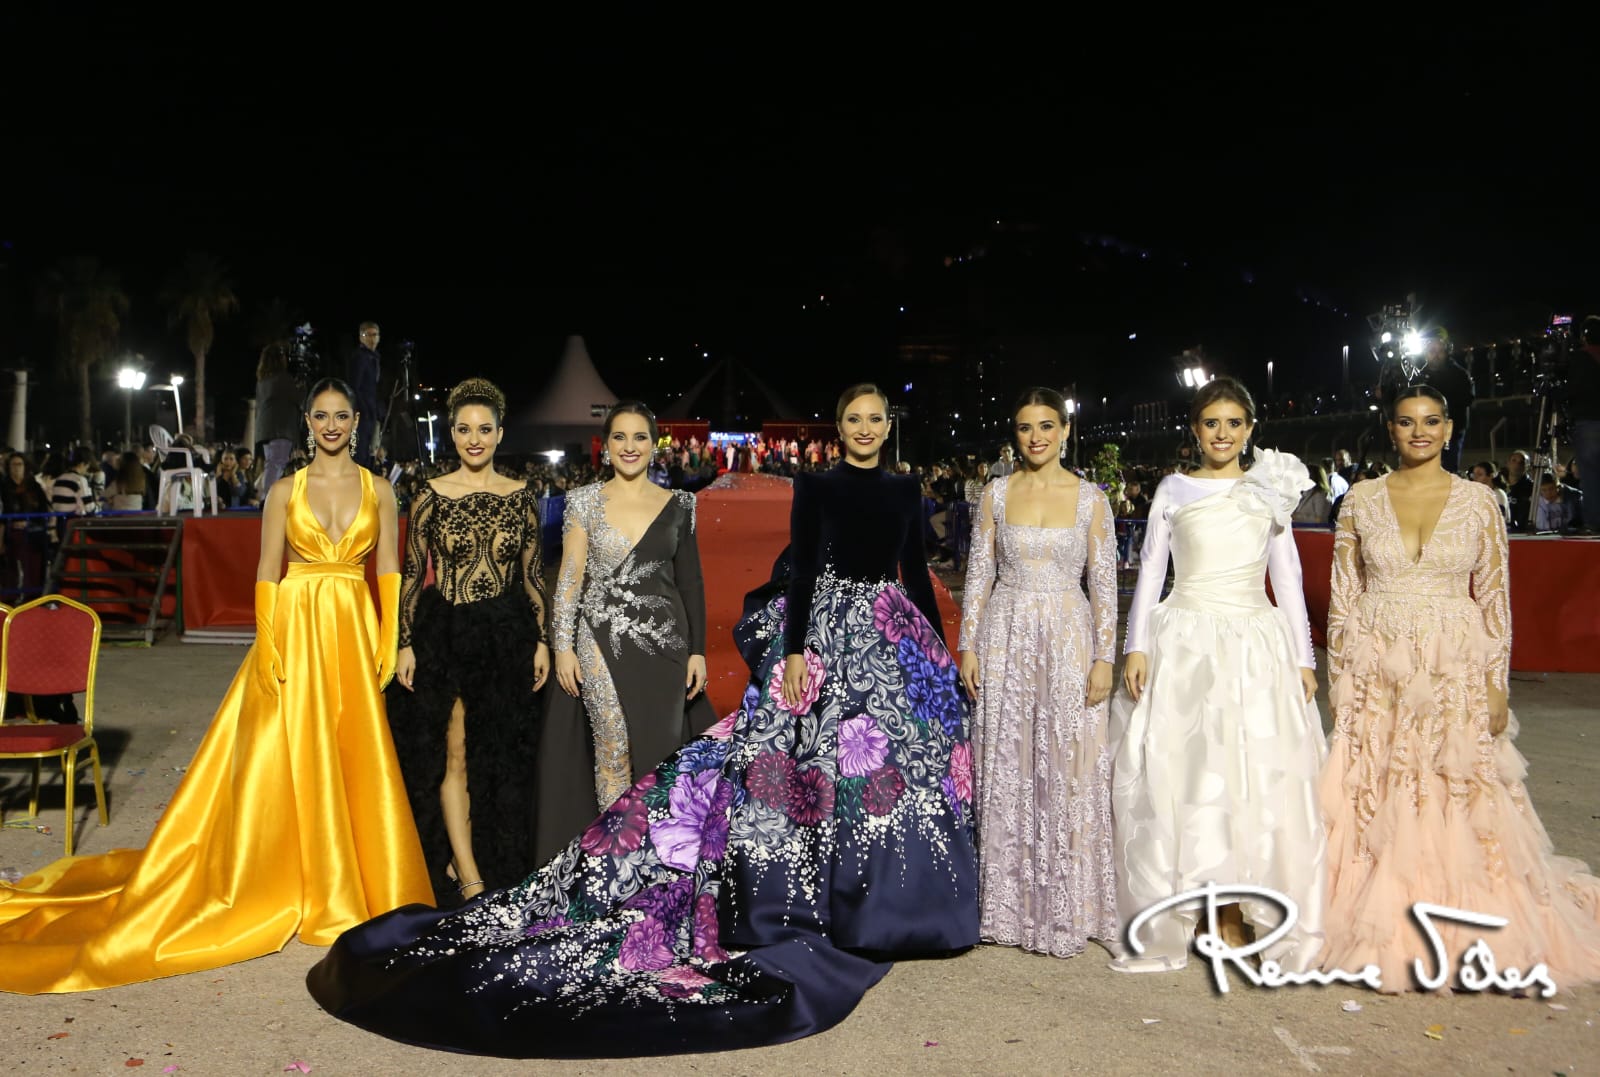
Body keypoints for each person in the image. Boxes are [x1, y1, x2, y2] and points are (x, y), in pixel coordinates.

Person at [305, 383, 978, 1058]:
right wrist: (794, 651)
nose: (864, 428)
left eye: (874, 419)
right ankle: (776, 894)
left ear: (886, 426)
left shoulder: (901, 489)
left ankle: (884, 905)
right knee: (805, 770)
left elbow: (915, 573)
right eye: (853, 418)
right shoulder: (815, 486)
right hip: (799, 639)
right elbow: (800, 573)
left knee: (887, 774)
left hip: (884, 636)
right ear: (838, 425)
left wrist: (938, 652)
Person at [0, 377, 432, 994]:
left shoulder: (380, 489)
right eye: (321, 416)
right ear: (308, 422)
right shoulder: (284, 490)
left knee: (353, 750)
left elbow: (388, 566)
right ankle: (298, 879)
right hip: (296, 627)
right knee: (287, 753)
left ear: (356, 422)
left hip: (353, 629)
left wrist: (391, 638)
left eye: (342, 415)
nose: (332, 425)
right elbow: (267, 571)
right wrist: (268, 640)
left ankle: (350, 879)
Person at [1319, 385, 1600, 991]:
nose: (1419, 431)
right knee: (1379, 782)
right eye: (1406, 421)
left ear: (1449, 429)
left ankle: (1460, 910)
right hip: (1378, 664)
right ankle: (1377, 909)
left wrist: (1497, 684)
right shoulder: (1361, 500)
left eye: (1431, 421)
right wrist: (1342, 677)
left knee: (1455, 782)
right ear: (1390, 430)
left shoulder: (1479, 502)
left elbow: (1495, 597)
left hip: (1454, 666)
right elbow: (1343, 597)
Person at [1110, 375, 1325, 974]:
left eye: (1234, 423)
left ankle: (1235, 906)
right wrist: (1137, 646)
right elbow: (1151, 570)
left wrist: (1304, 659)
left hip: (1254, 647)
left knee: (1249, 777)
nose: (1223, 434)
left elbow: (1287, 578)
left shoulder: (1269, 489)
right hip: (1185, 643)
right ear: (1195, 429)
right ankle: (1202, 905)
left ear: (1250, 429)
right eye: (1212, 423)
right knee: (1191, 775)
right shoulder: (1173, 489)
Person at [958, 387, 1118, 957]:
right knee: (1007, 759)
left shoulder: (1091, 499)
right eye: (1026, 427)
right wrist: (968, 645)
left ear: (1066, 430)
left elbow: (1104, 585)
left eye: (1047, 426)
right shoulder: (996, 494)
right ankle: (1006, 905)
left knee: (1068, 761)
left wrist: (1105, 657)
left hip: (1069, 636)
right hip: (1005, 633)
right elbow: (978, 574)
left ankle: (1068, 903)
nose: (1036, 437)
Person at [387, 378, 550, 902]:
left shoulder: (522, 496)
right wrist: (405, 642)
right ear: (451, 434)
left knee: (500, 758)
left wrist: (543, 640)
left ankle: (491, 865)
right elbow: (413, 576)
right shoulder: (430, 494)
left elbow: (533, 576)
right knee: (454, 753)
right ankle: (468, 872)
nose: (473, 439)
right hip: (449, 636)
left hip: (507, 636)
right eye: (463, 429)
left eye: (483, 429)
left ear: (500, 433)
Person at [535, 401, 716, 862]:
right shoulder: (584, 501)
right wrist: (562, 646)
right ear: (606, 446)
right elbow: (569, 579)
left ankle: (656, 861)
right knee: (612, 747)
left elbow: (691, 582)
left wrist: (697, 650)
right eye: (620, 437)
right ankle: (616, 863)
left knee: (660, 755)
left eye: (639, 437)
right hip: (599, 641)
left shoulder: (680, 505)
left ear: (654, 446)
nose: (629, 446)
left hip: (666, 648)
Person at [0, 452, 50, 601]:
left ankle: (32, 598)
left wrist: (30, 522)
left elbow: (43, 510)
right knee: (9, 567)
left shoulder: (34, 486)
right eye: (13, 465)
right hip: (10, 531)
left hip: (32, 532)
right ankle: (10, 597)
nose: (16, 468)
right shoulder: (3, 487)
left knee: (33, 566)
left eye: (19, 464)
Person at [255, 342, 302, 495]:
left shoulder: (262, 380)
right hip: (281, 428)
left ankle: (267, 496)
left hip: (266, 429)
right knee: (277, 463)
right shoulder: (283, 378)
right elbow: (298, 399)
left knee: (272, 463)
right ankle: (268, 498)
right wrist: (302, 387)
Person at [1569, 316, 1600, 531]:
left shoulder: (1580, 358)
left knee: (1590, 475)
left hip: (1588, 421)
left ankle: (1595, 523)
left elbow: (1573, 388)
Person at [346, 322, 383, 468]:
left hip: (371, 412)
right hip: (363, 414)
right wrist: (364, 409)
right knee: (361, 454)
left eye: (374, 335)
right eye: (368, 335)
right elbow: (355, 386)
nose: (371, 339)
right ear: (361, 337)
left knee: (369, 453)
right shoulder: (360, 358)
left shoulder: (374, 358)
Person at [1470, 460, 1512, 526]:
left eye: (1480, 474)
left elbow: (1497, 520)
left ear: (1490, 476)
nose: (1475, 478)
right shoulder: (1477, 493)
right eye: (1474, 474)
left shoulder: (1498, 494)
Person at [1504, 450, 1535, 531]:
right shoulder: (1500, 485)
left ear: (1527, 466)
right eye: (1514, 461)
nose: (1517, 465)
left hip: (1522, 531)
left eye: (1522, 462)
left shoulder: (1532, 488)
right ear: (1508, 463)